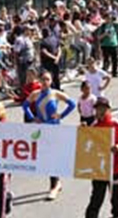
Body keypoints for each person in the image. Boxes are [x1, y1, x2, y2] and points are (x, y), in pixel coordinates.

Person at [22, 71, 77, 200]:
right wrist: (32, 118)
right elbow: (25, 105)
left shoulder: (55, 93)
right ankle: (56, 181)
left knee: (53, 156)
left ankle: (54, 185)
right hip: (42, 128)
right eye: (43, 79)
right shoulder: (35, 94)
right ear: (40, 81)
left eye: (48, 79)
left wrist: (61, 115)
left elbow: (72, 104)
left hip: (54, 127)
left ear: (51, 81)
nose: (45, 82)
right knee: (46, 157)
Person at [81, 96, 118, 218]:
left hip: (115, 166)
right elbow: (86, 145)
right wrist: (83, 131)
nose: (101, 112)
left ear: (108, 109)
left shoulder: (116, 124)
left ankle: (117, 212)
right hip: (100, 167)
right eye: (98, 109)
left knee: (116, 193)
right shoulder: (93, 125)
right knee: (97, 193)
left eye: (103, 109)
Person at [98, 13, 118, 77]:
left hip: (114, 44)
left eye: (110, 18)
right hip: (105, 45)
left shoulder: (115, 25)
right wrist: (105, 34)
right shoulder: (102, 26)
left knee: (115, 59)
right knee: (106, 60)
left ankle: (115, 72)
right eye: (107, 18)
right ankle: (104, 72)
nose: (109, 20)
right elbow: (99, 37)